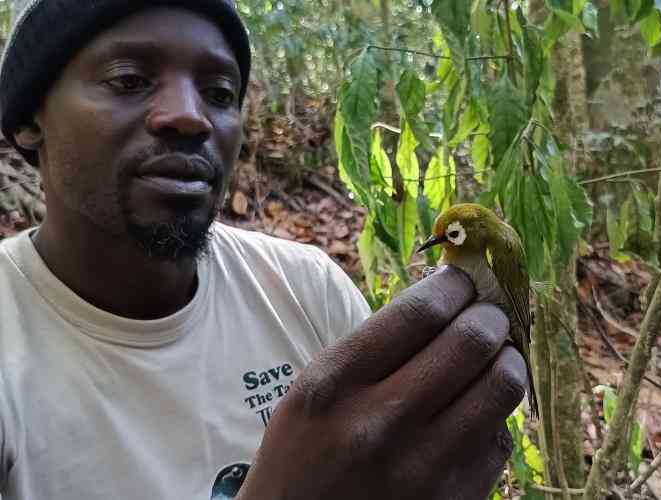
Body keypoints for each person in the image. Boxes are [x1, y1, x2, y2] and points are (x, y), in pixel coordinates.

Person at [0, 1, 527, 499]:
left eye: (220, 92)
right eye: (129, 81)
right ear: (29, 119)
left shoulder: (306, 289)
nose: (191, 117)